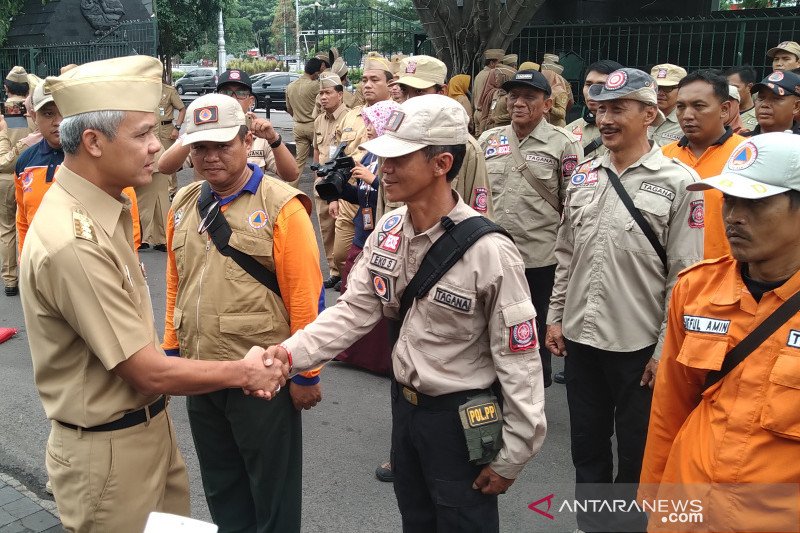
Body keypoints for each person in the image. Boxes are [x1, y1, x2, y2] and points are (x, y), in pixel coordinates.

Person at [18, 55, 287, 533]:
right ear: (94, 143)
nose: (157, 146)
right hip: (110, 458)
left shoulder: (108, 210)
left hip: (146, 434)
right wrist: (245, 371)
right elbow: (144, 370)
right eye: (142, 134)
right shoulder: (73, 242)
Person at [265, 94, 546, 532]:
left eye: (399, 159)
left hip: (460, 421)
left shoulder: (490, 252)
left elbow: (519, 359)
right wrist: (287, 356)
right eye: (383, 158)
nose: (384, 169)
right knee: (415, 519)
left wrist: (515, 452)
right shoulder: (390, 230)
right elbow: (353, 312)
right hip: (406, 411)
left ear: (441, 163)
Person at [544, 68, 704, 532]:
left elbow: (686, 278)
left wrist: (663, 350)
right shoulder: (585, 175)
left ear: (650, 114)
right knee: (586, 448)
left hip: (639, 347)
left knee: (636, 453)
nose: (606, 118)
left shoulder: (679, 182)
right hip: (582, 338)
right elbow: (566, 254)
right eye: (600, 109)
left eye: (618, 109)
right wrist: (555, 316)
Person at [161, 93, 323, 532]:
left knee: (272, 491)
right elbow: (177, 282)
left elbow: (305, 295)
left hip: (262, 379)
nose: (209, 157)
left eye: (221, 145)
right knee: (221, 483)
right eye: (199, 147)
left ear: (246, 140)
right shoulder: (184, 202)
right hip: (202, 371)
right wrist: (172, 353)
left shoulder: (280, 206)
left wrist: (306, 374)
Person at [640, 132, 800, 532]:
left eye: (756, 202)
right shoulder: (696, 289)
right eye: (729, 199)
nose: (733, 216)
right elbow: (669, 407)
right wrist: (655, 503)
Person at [479, 69, 583, 390]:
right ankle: (493, 386)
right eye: (513, 96)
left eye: (529, 97)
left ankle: (533, 392)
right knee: (490, 326)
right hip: (493, 257)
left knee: (535, 329)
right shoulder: (488, 140)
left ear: (547, 104)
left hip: (539, 260)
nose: (518, 103)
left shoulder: (563, 144)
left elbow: (574, 205)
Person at [14, 82, 144, 254]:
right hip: (42, 265)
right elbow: (23, 221)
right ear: (33, 115)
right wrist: (25, 262)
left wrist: (130, 259)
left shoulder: (98, 155)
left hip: (95, 264)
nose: (58, 121)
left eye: (65, 111)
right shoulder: (25, 162)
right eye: (48, 113)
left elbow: (128, 213)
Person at [387, 55, 494, 219]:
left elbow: (479, 215)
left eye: (420, 92)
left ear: (442, 92)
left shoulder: (465, 146)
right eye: (405, 91)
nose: (411, 99)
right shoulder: (391, 140)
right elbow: (384, 210)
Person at [662, 69, 746, 260]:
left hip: (726, 275)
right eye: (681, 106)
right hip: (674, 275)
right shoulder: (663, 157)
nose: (687, 115)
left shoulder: (746, 154)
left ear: (724, 109)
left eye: (699, 106)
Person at [158, 69, 298, 183]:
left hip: (251, 211)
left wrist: (274, 139)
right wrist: (192, 133)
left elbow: (291, 175)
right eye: (226, 92)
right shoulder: (203, 131)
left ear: (251, 101)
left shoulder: (260, 134)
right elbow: (165, 167)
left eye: (241, 93)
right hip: (209, 209)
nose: (233, 97)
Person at [329, 54, 393, 286]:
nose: (367, 128)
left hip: (383, 235)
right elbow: (360, 194)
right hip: (362, 227)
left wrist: (373, 180)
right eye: (363, 79)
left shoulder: (393, 157)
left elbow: (397, 197)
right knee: (348, 281)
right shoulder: (370, 154)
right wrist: (337, 190)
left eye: (372, 123)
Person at [0, 66, 34, 296]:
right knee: (34, 227)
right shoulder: (37, 114)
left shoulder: (3, 116)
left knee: (7, 229)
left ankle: (10, 281)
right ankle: (34, 279)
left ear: (6, 88)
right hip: (32, 176)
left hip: (5, 179)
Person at [313, 71, 349, 290]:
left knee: (342, 227)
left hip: (341, 183)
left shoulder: (349, 118)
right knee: (326, 228)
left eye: (327, 93)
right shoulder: (319, 120)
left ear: (340, 95)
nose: (323, 97)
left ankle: (345, 271)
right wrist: (318, 177)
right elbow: (316, 151)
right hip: (322, 182)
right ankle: (334, 272)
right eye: (321, 93)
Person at [565, 60, 624, 162]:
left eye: (601, 85)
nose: (591, 91)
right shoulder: (569, 131)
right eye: (588, 84)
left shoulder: (635, 131)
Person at [286, 57, 325, 177]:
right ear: (316, 73)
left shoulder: (290, 86)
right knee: (320, 161)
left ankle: (290, 193)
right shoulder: (316, 86)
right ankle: (318, 191)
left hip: (298, 126)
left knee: (298, 162)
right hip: (314, 126)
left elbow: (289, 108)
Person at [743, 70, 800, 136]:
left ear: (796, 107)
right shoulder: (739, 143)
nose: (764, 105)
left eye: (776, 99)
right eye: (761, 98)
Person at [156, 81, 185, 200]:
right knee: (153, 160)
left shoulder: (169, 91)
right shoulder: (147, 90)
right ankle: (159, 189)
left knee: (168, 160)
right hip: (152, 129)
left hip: (166, 129)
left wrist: (177, 128)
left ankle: (171, 191)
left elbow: (182, 109)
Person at [650, 63, 687, 147]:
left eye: (667, 88)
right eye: (656, 87)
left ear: (682, 89)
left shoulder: (687, 122)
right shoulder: (640, 116)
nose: (660, 93)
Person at [472, 48, 504, 130]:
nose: (501, 66)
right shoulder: (492, 75)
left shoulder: (479, 74)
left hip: (477, 113)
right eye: (499, 63)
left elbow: (473, 95)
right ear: (492, 63)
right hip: (485, 115)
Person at [726, 65, 759, 131]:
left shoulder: (760, 116)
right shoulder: (721, 113)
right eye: (727, 87)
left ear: (749, 87)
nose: (730, 91)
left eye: (734, 87)